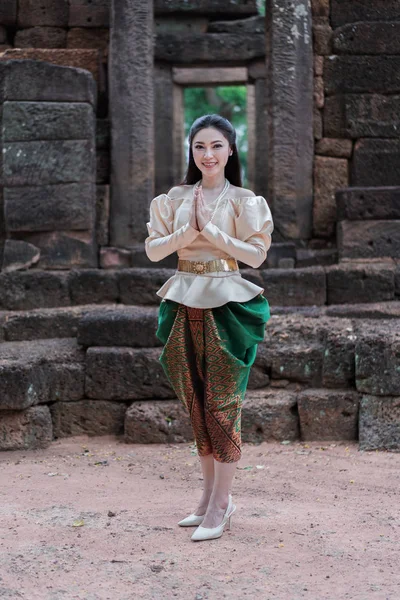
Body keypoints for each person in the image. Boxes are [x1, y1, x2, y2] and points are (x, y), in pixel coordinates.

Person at [145, 114, 274, 542]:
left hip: (227, 303)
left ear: (231, 150)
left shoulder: (245, 200)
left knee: (223, 403)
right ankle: (206, 499)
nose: (208, 154)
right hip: (182, 299)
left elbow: (254, 258)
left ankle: (222, 504)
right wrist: (188, 230)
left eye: (217, 146)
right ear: (191, 151)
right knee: (196, 404)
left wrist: (212, 230)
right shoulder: (174, 198)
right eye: (200, 146)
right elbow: (153, 250)